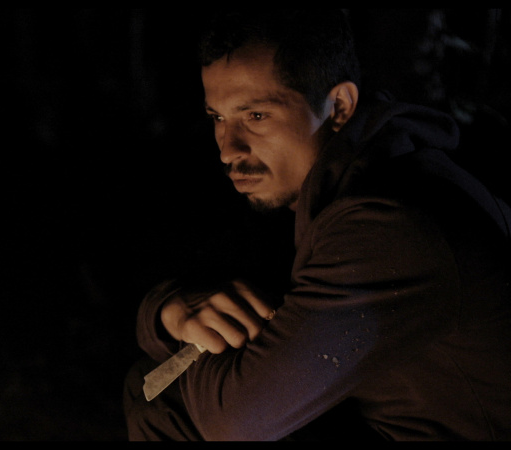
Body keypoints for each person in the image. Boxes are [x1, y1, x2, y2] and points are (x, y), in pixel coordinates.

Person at [123, 9, 511, 441]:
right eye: (218, 117)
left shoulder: (389, 222)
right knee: (157, 389)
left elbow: (236, 420)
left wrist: (186, 345)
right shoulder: (328, 192)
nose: (228, 149)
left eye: (256, 116)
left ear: (338, 107)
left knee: (167, 402)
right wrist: (170, 312)